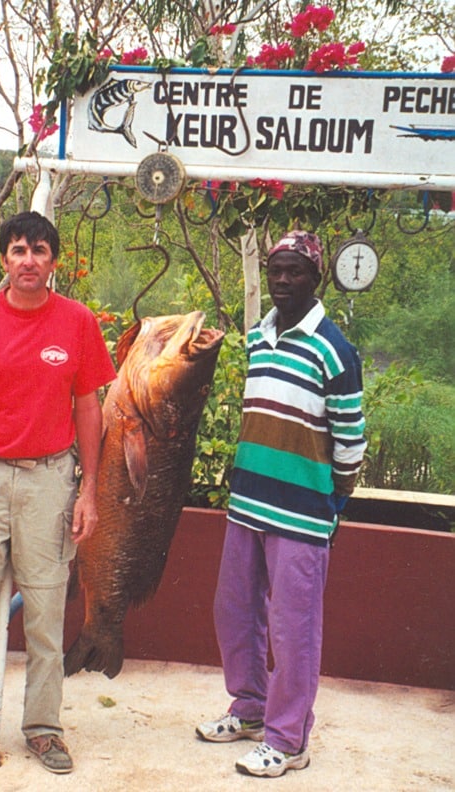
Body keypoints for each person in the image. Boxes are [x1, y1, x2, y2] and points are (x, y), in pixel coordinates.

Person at [0, 211, 116, 776]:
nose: (27, 259)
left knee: (46, 623)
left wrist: (90, 491)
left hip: (50, 482)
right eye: (17, 250)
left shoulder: (78, 323)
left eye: (38, 250)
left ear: (53, 261)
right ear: (3, 260)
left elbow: (89, 407)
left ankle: (44, 729)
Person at [196, 230, 366, 778]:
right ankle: (248, 709)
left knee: (294, 629)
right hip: (248, 504)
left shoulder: (335, 351)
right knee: (235, 611)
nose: (284, 281)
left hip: (302, 515)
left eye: (295, 271)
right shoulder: (256, 339)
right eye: (276, 271)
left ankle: (289, 739)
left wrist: (332, 501)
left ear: (316, 278)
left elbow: (351, 443)